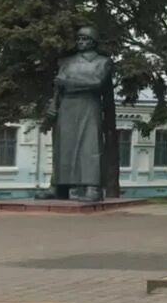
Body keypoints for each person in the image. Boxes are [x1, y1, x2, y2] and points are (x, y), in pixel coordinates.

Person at [40, 25, 115, 202]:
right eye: (79, 39)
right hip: (67, 105)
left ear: (93, 42)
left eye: (85, 39)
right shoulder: (66, 62)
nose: (81, 42)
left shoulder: (102, 62)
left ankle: (92, 187)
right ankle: (59, 186)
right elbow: (58, 88)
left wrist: (67, 81)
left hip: (89, 104)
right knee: (63, 146)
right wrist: (54, 105)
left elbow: (96, 82)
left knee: (90, 146)